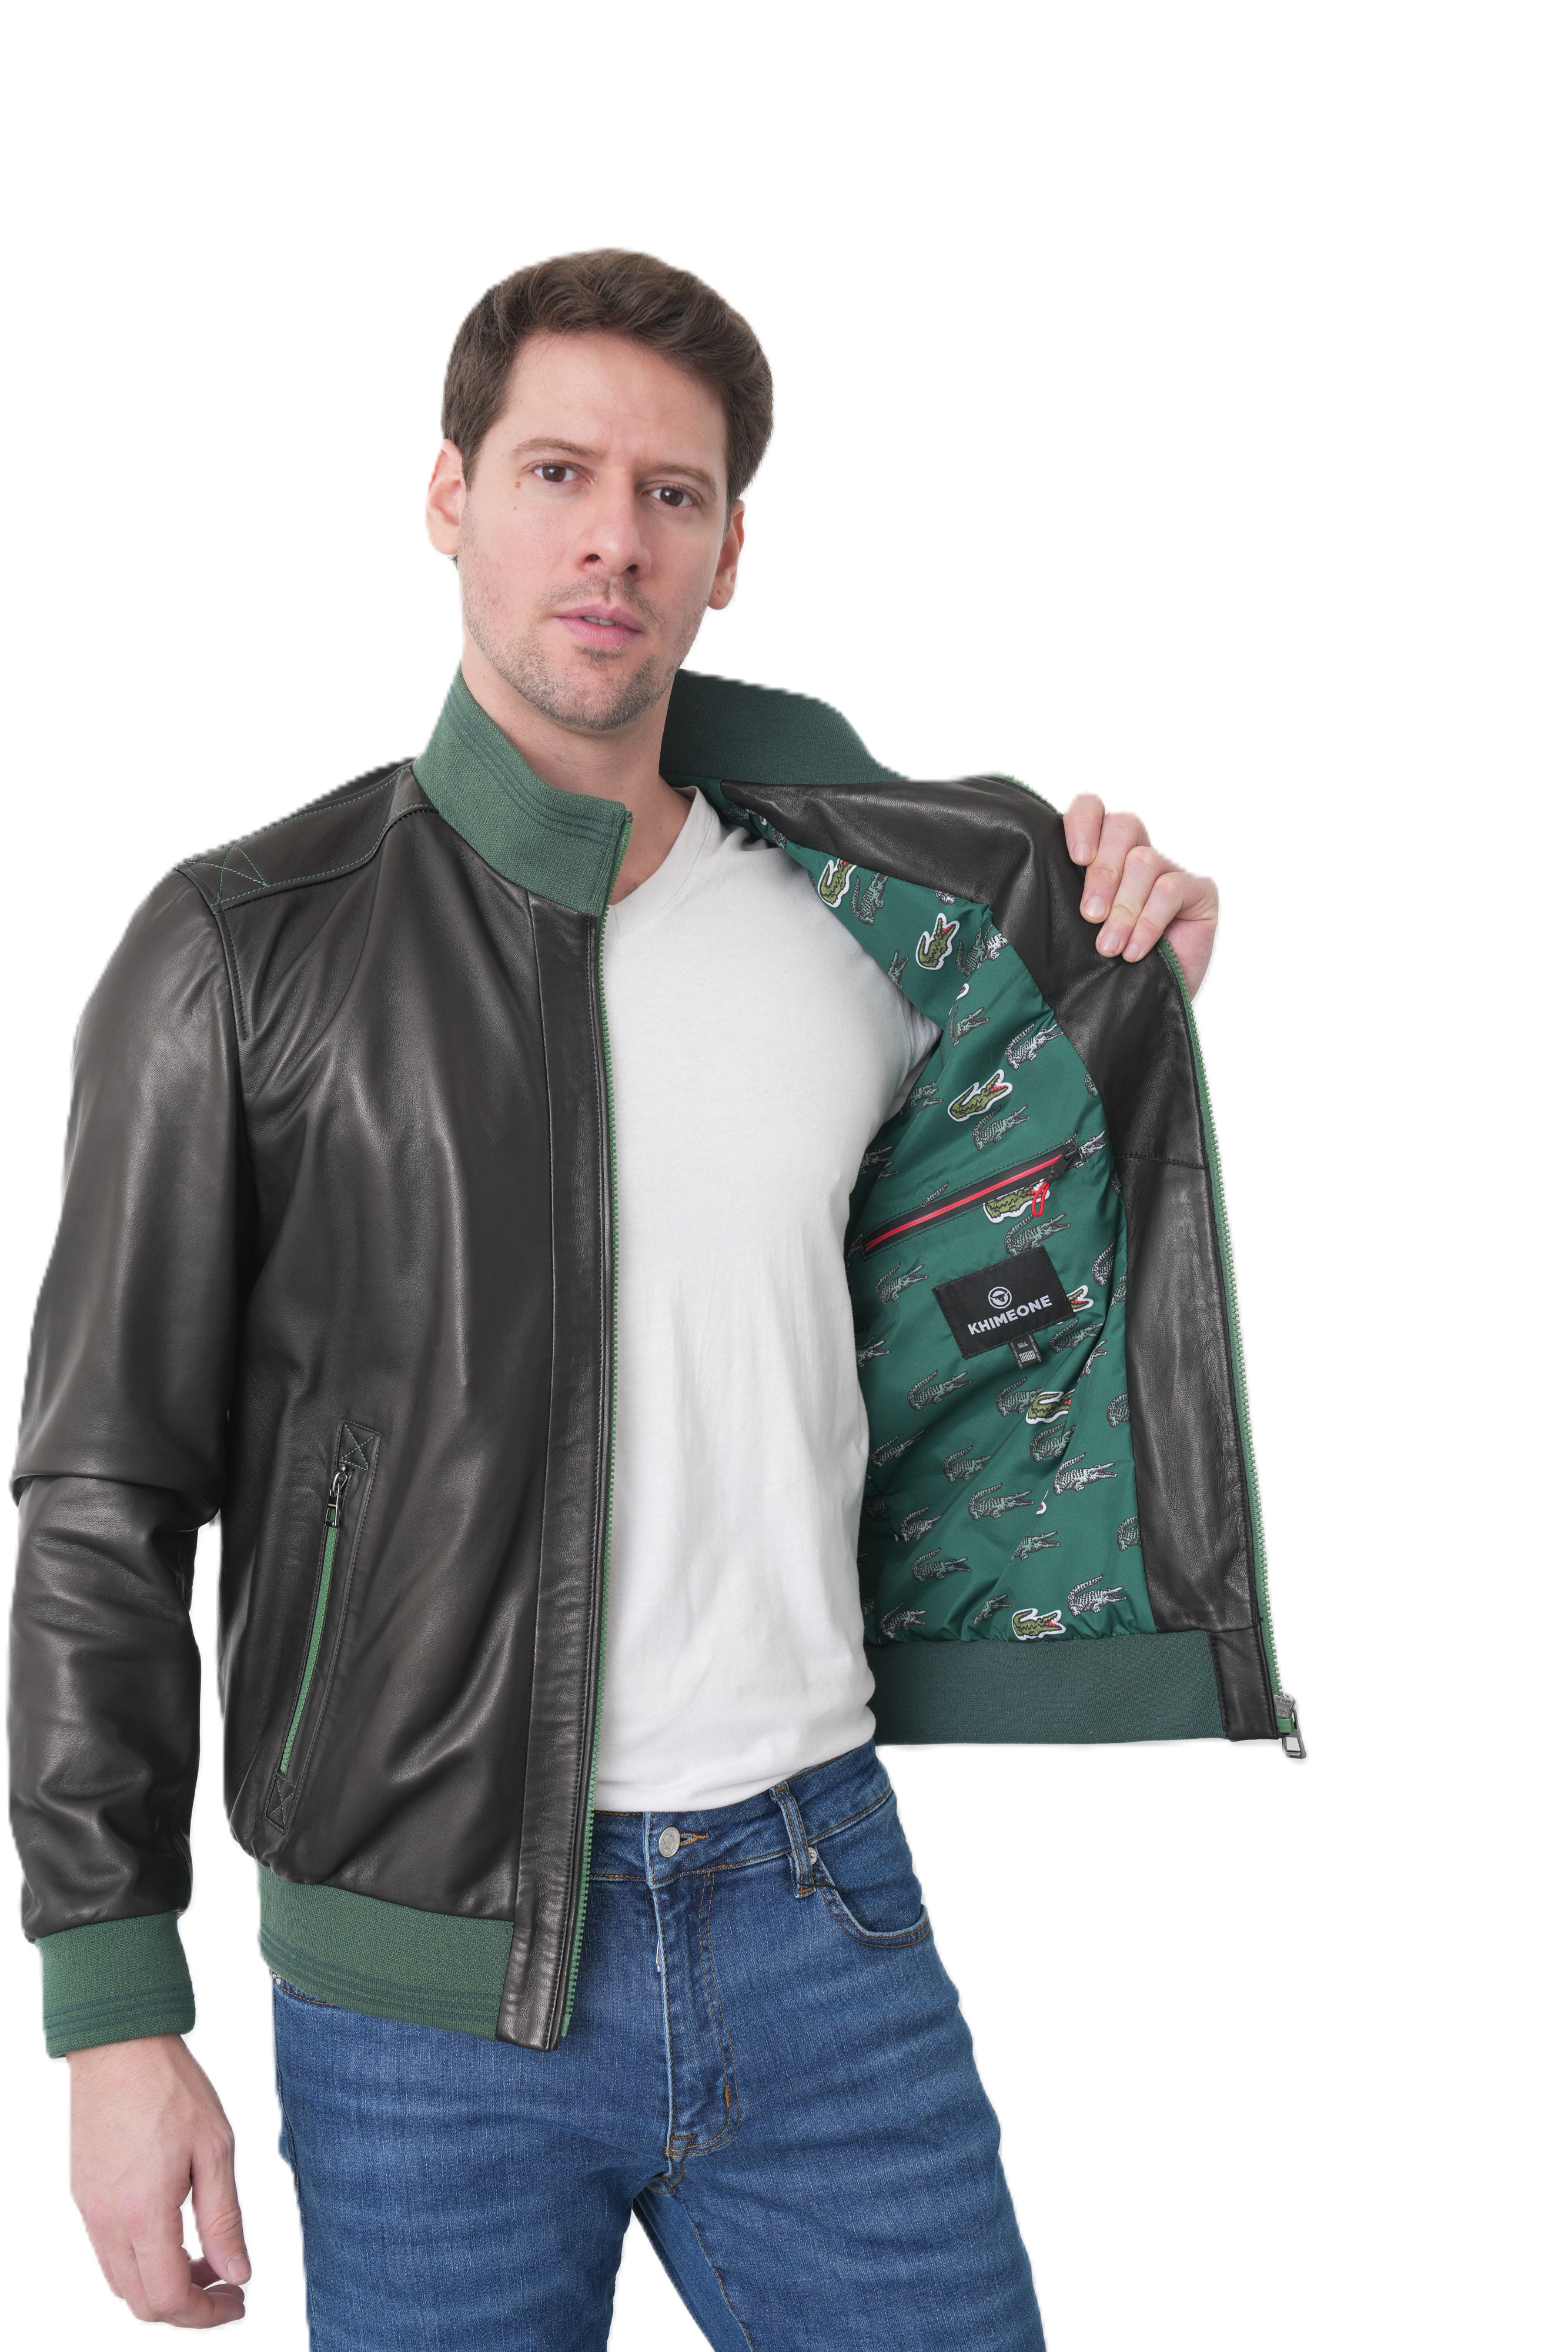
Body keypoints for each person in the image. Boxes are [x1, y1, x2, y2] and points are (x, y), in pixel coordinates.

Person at [9, 250, 1296, 2348]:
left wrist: (1126, 986)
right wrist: (111, 2009)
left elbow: (992, 1248)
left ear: (726, 553)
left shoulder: (867, 929)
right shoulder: (241, 951)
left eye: (670, 495)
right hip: (420, 1979)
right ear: (449, 496)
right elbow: (102, 1498)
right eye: (557, 472)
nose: (612, 537)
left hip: (818, 1905)